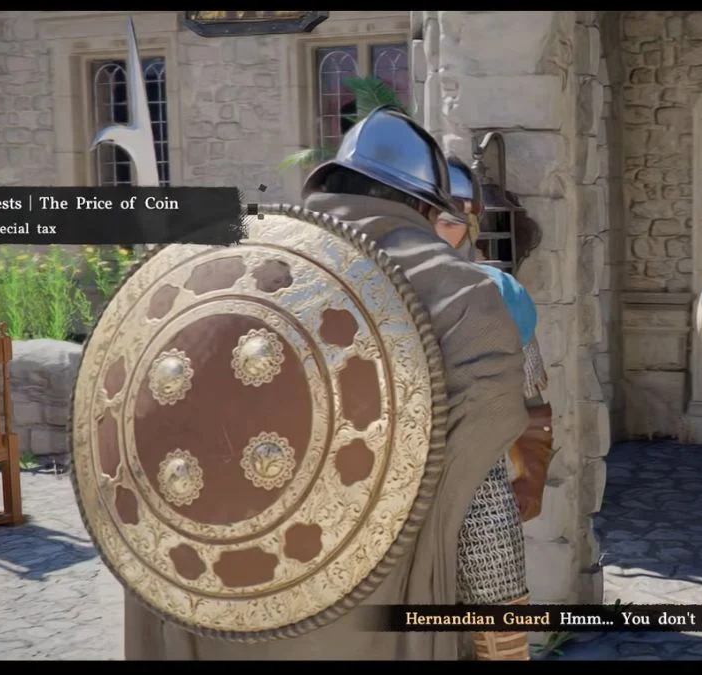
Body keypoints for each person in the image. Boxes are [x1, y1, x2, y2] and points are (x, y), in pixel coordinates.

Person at [123, 106, 530, 660]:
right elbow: (481, 495)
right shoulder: (456, 294)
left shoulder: (228, 267)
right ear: (418, 208)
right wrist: (502, 637)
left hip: (218, 613)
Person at [438, 157, 553, 525]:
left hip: (477, 476)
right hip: (393, 479)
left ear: (470, 226)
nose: (438, 229)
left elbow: (530, 395)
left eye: (451, 221)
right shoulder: (377, 286)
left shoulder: (499, 291)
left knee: (487, 577)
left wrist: (530, 475)